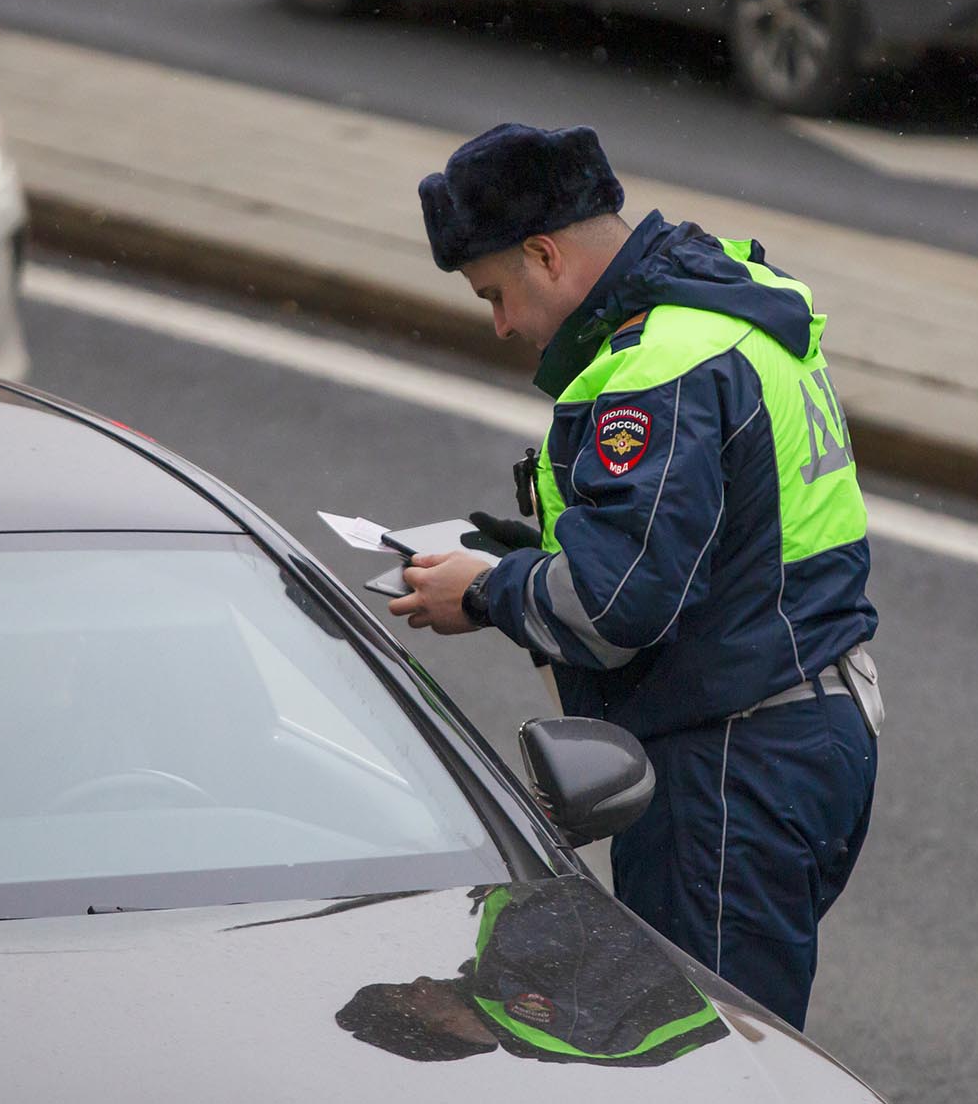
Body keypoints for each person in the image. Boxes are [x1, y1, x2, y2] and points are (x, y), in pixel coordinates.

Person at [391, 123, 880, 1030]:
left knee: (708, 1058)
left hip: (728, 769)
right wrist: (531, 553)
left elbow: (618, 606)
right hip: (811, 728)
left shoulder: (659, 366)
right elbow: (731, 538)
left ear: (545, 254)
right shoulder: (733, 303)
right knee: (739, 1038)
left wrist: (488, 591)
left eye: (495, 293)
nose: (500, 325)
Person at [335, 882, 729, 1066]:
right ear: (438, 1027)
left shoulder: (536, 1031)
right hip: (713, 905)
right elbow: (570, 891)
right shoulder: (518, 993)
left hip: (729, 945)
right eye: (409, 993)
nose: (421, 980)